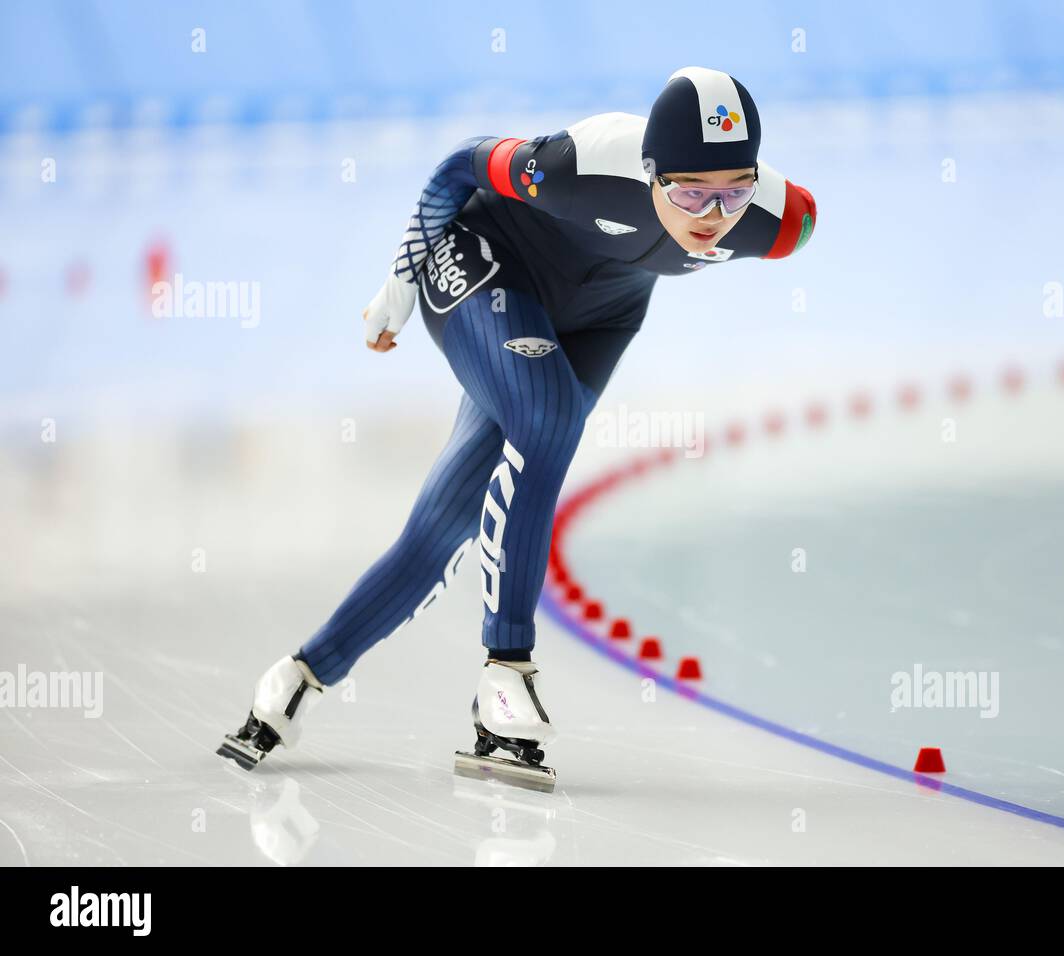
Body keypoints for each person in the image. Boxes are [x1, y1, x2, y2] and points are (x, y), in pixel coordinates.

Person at [218, 66, 816, 787]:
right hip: (484, 262)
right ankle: (507, 672)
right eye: (690, 192)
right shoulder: (582, 168)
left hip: (602, 317)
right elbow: (454, 168)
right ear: (650, 172)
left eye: (733, 191)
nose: (713, 214)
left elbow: (781, 211)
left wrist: (731, 201)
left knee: (448, 522)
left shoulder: (781, 221)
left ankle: (297, 678)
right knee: (551, 415)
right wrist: (399, 287)